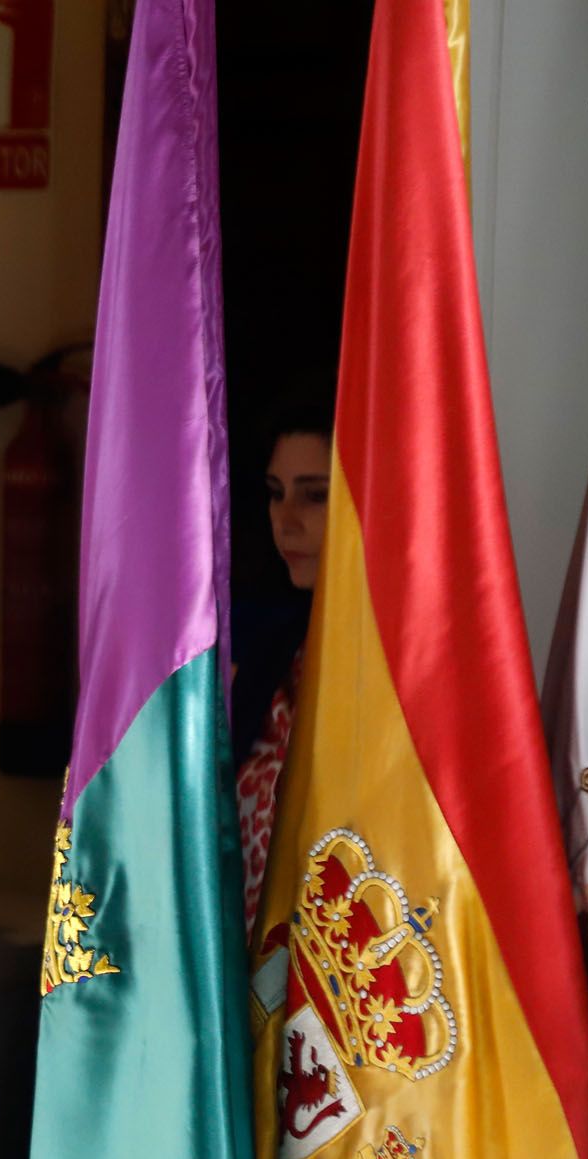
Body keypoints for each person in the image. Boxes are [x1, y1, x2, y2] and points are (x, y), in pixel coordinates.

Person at [234, 378, 334, 932]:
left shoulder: (408, 668)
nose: (286, 517)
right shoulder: (265, 646)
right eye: (276, 491)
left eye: (314, 494)